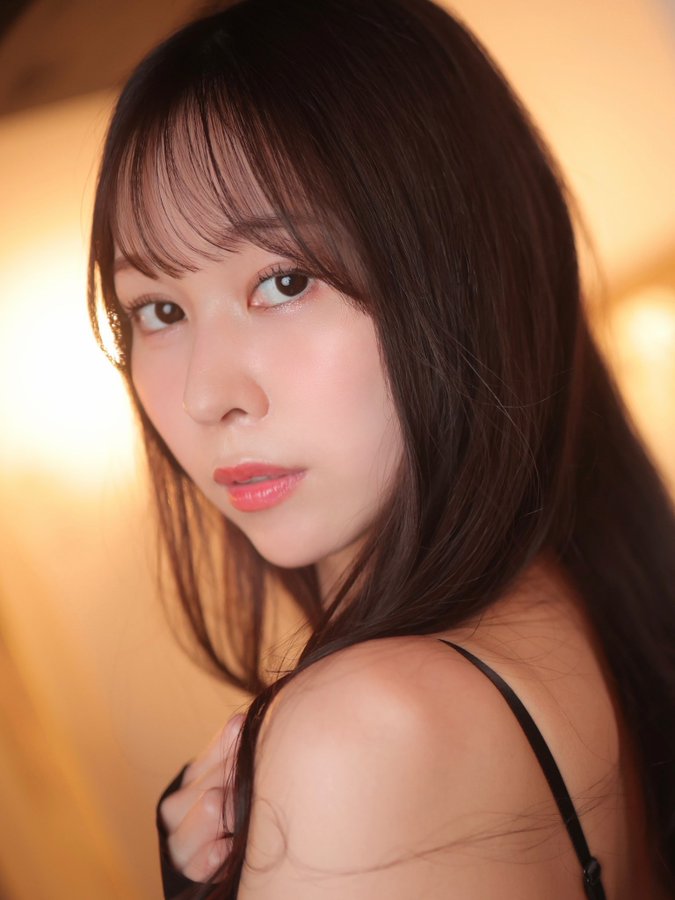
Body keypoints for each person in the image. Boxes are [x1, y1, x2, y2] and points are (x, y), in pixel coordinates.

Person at [88, 0, 675, 897]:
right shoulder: (570, 605)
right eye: (159, 310)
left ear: (461, 275)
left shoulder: (365, 733)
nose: (208, 395)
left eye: (285, 281)